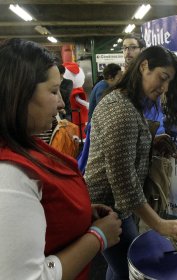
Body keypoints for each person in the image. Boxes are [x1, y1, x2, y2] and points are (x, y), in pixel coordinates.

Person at [0, 38, 122, 280]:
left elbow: (43, 211)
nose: (60, 103)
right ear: (20, 94)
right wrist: (97, 237)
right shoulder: (8, 176)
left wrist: (79, 212)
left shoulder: (24, 143)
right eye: (53, 91)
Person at [85, 46, 177, 280]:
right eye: (162, 78)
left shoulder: (128, 101)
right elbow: (124, 181)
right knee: (133, 270)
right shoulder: (121, 109)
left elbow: (123, 150)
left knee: (119, 266)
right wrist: (160, 224)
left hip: (118, 205)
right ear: (144, 66)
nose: (163, 88)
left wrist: (152, 142)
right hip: (109, 207)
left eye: (168, 83)